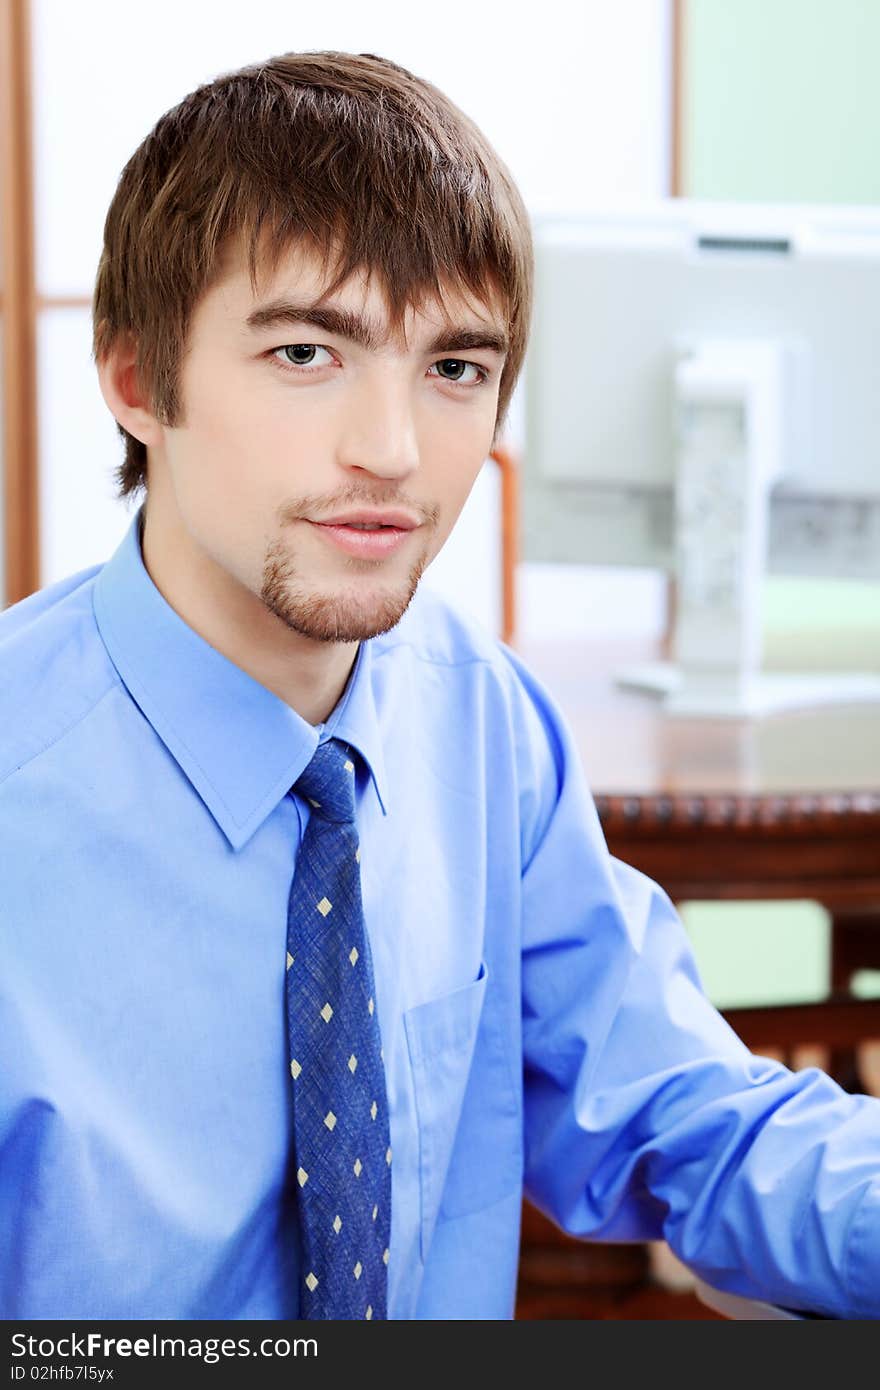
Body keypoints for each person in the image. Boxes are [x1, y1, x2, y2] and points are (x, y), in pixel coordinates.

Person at [1, 49, 878, 1323]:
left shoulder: (483, 723)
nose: (394, 452)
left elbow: (680, 1112)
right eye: (307, 352)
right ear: (139, 380)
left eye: (455, 369)